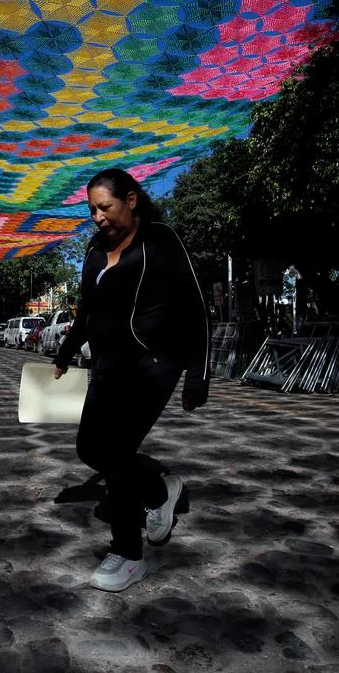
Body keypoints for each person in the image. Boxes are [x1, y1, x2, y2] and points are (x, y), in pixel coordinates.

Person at [54, 167, 211, 592]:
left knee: (117, 451)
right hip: (109, 366)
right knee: (90, 448)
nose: (98, 217)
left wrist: (200, 374)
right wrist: (65, 355)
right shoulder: (92, 251)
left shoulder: (161, 240)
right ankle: (161, 490)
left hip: (154, 364)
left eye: (105, 207)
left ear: (131, 200)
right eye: (92, 210)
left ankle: (127, 553)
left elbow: (196, 306)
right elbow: (86, 313)